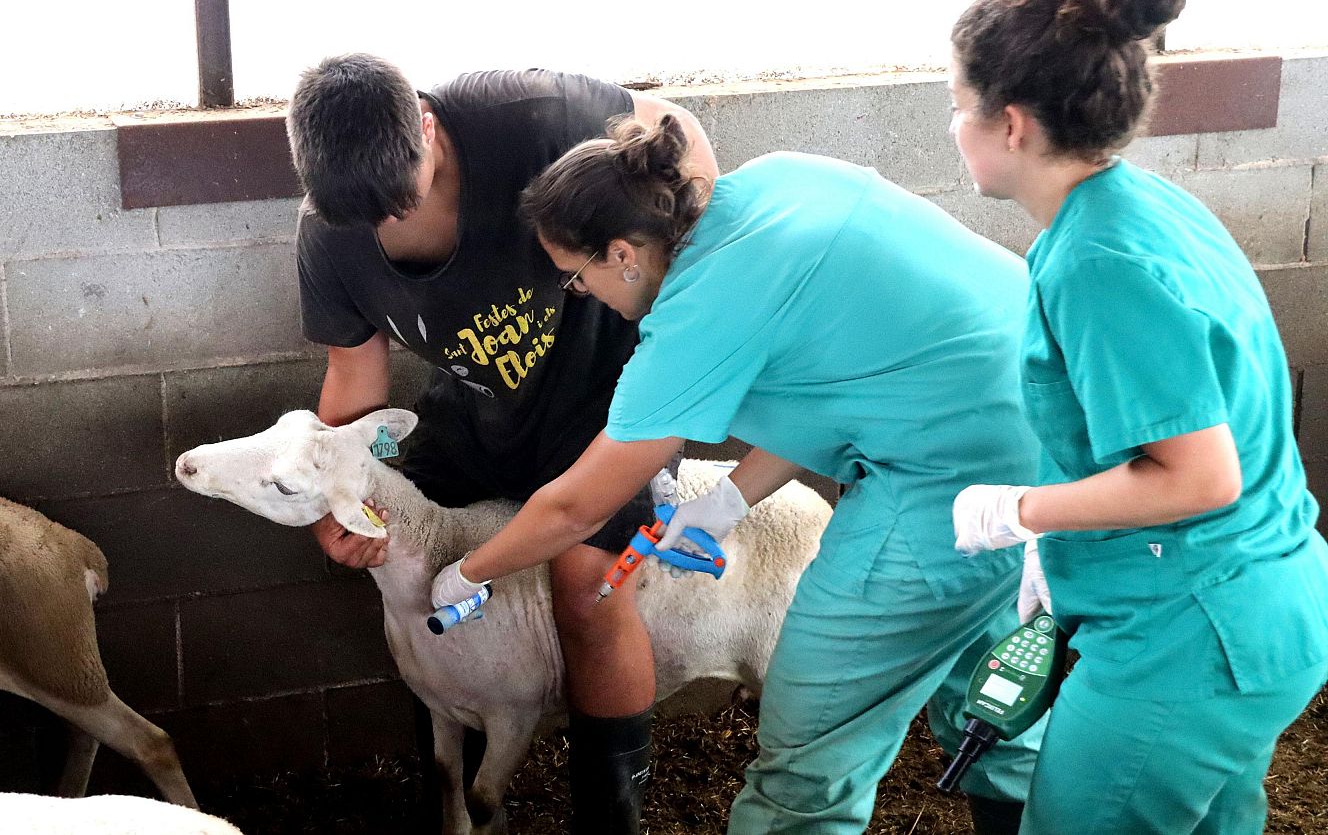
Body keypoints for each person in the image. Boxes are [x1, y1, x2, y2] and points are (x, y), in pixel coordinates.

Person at [430, 113, 1046, 834]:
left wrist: (468, 576)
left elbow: (576, 507)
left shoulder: (693, 316)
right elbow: (847, 378)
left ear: (624, 253)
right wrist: (728, 497)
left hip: (948, 479)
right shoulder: (778, 180)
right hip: (1042, 422)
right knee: (987, 688)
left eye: (576, 277)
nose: (583, 295)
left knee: (813, 729)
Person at [945, 0, 1328, 832]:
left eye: (956, 107)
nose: (953, 128)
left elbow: (1199, 476)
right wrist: (1068, 548)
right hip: (1255, 608)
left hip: (1190, 637)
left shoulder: (1096, 259)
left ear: (1011, 123)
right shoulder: (1141, 206)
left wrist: (1024, 514)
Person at [284, 54, 716, 833]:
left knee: (588, 586)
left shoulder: (530, 117)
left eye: (402, 200)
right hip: (483, 406)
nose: (388, 225)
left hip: (610, 390)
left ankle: (610, 819)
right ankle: (448, 798)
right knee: (408, 549)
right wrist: (340, 495)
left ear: (427, 123)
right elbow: (354, 375)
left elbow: (669, 126)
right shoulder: (329, 235)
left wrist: (679, 307)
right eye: (365, 217)